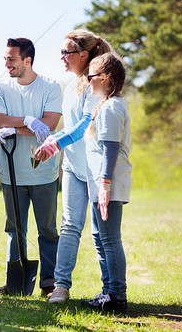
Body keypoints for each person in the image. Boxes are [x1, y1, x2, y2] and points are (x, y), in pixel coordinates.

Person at [33, 30, 114, 304]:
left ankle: (110, 290)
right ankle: (61, 287)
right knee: (68, 227)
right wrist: (53, 139)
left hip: (93, 168)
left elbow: (83, 126)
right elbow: (69, 126)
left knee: (99, 233)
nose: (62, 57)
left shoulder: (96, 84)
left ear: (84, 55)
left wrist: (55, 145)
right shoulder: (70, 85)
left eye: (67, 52)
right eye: (61, 52)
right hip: (72, 167)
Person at [0, 38, 62, 297]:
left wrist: (18, 126)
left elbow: (50, 122)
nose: (6, 63)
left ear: (27, 60)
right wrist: (30, 121)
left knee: (48, 229)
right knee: (14, 229)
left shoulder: (51, 87)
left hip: (44, 171)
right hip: (11, 173)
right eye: (5, 58)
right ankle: (15, 283)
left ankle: (49, 282)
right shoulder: (0, 90)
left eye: (12, 59)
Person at [81, 53, 131, 312]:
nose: (88, 81)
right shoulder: (104, 105)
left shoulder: (111, 107)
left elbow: (110, 148)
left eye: (91, 76)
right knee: (100, 238)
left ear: (106, 78)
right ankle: (108, 290)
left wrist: (105, 183)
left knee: (110, 239)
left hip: (107, 184)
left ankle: (117, 296)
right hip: (100, 184)